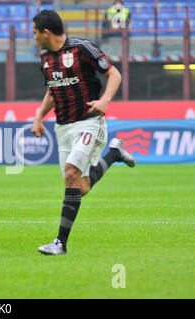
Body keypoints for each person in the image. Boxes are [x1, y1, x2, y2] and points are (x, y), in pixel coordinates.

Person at [31, 10, 135, 255]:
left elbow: (114, 74)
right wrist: (38, 117)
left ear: (46, 32)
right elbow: (52, 90)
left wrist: (105, 101)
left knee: (70, 173)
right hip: (63, 127)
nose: (33, 37)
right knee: (80, 187)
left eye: (35, 32)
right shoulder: (45, 58)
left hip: (89, 122)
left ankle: (60, 243)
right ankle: (114, 154)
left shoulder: (82, 49)